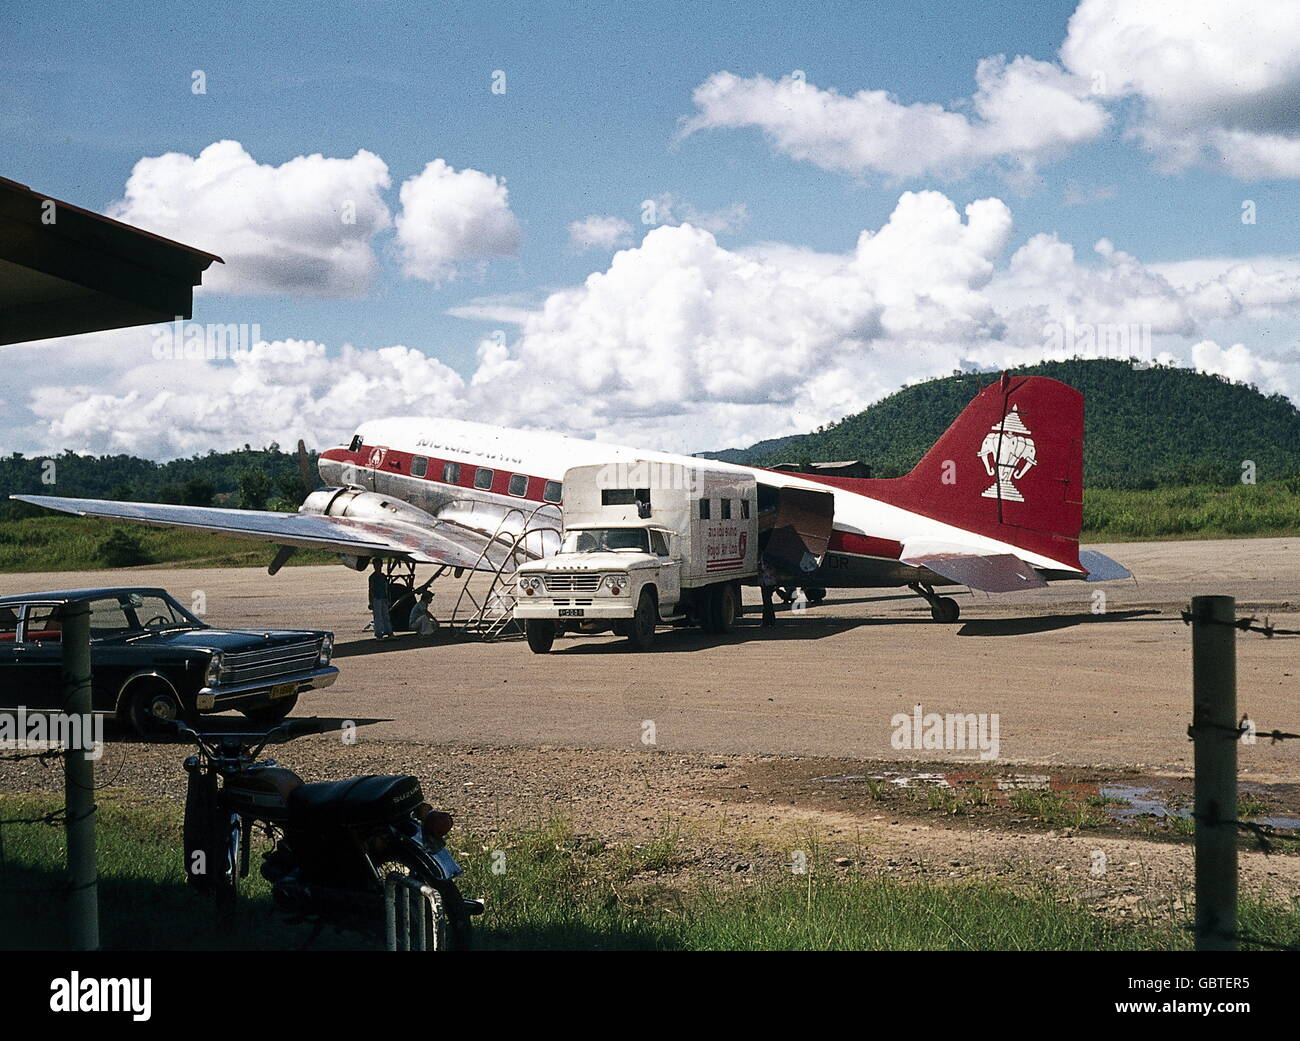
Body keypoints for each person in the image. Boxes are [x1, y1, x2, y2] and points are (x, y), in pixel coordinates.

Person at [368, 559, 394, 640]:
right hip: (376, 598)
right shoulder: (372, 577)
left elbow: (386, 588)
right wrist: (371, 601)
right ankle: (379, 634)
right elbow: (371, 589)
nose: (377, 567)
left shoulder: (383, 576)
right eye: (375, 565)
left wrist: (388, 598)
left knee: (386, 616)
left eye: (378, 565)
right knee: (378, 617)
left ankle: (389, 632)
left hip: (383, 598)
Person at [759, 557, 778, 628]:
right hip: (766, 581)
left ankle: (767, 621)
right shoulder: (766, 556)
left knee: (767, 601)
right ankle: (769, 620)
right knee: (767, 601)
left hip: (768, 581)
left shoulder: (767, 557)